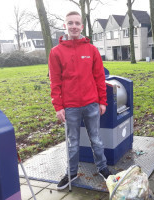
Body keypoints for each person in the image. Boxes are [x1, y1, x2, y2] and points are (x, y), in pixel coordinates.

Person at [48, 11, 111, 190]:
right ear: (65, 26)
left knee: (96, 139)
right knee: (72, 143)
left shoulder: (91, 50)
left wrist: (102, 101)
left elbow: (99, 77)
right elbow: (55, 81)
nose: (74, 26)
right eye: (70, 23)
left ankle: (102, 168)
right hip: (70, 107)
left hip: (91, 104)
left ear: (82, 26)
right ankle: (72, 172)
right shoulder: (56, 52)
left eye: (77, 23)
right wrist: (58, 107)